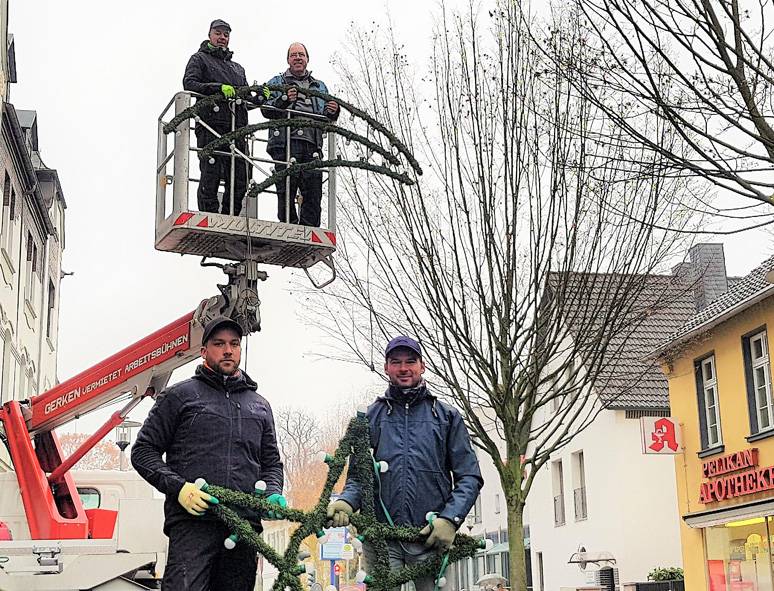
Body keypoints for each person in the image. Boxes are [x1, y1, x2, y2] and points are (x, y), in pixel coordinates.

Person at [131, 317, 284, 591]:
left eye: (234, 344)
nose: (228, 350)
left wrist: (272, 491)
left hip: (243, 527)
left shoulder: (259, 406)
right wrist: (180, 489)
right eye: (219, 344)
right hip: (193, 525)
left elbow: (271, 463)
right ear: (203, 352)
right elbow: (143, 452)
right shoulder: (179, 397)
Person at [327, 336, 483, 591]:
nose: (403, 368)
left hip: (431, 538)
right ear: (386, 367)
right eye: (396, 361)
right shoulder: (369, 418)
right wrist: (346, 501)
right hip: (382, 542)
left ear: (422, 366)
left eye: (411, 361)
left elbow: (469, 476)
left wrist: (450, 519)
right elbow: (358, 477)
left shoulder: (446, 417)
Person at [261, 42, 340, 227]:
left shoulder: (319, 87)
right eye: (294, 55)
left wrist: (333, 111)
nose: (298, 58)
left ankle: (309, 229)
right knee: (286, 188)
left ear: (307, 59)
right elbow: (266, 109)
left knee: (313, 190)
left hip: (312, 143)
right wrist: (284, 99)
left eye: (301, 54)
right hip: (285, 142)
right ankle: (289, 226)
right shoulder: (276, 82)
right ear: (288, 60)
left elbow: (326, 117)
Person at [184, 19, 251, 216]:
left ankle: (231, 214)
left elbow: (246, 94)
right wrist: (217, 88)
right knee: (211, 172)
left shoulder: (238, 68)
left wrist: (259, 95)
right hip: (210, 123)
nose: (222, 38)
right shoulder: (199, 59)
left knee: (241, 175)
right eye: (218, 33)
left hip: (236, 127)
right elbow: (190, 83)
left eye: (226, 35)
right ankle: (209, 214)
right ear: (209, 35)